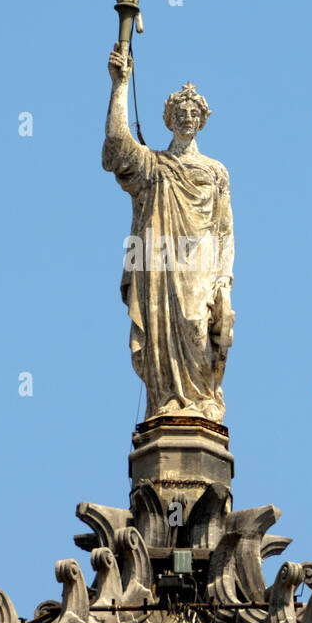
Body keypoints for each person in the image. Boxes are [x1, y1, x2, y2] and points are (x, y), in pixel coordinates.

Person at [103, 42, 234, 423]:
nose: (188, 117)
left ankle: (202, 397)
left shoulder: (215, 172)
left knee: (196, 323)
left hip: (201, 263)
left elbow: (225, 232)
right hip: (159, 260)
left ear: (202, 120)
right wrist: (120, 84)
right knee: (161, 329)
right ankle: (165, 400)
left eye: (194, 112)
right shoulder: (153, 166)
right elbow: (115, 145)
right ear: (170, 119)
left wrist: (224, 279)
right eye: (181, 112)